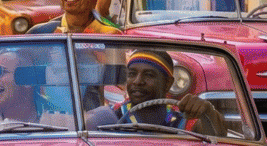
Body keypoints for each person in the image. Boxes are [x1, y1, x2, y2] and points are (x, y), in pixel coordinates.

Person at [90, 48, 226, 136]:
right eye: (132, 74)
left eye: (148, 75)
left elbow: (218, 139)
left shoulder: (183, 120)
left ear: (168, 83)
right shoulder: (110, 115)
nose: (138, 81)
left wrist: (208, 111)